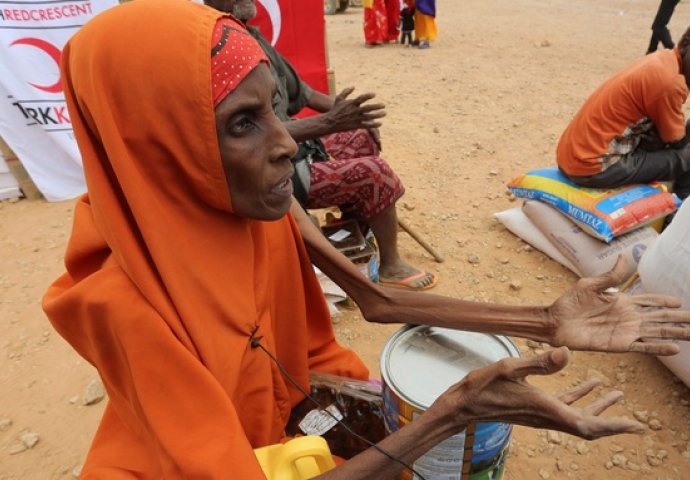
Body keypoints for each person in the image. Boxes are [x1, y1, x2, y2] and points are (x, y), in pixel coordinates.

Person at [43, 0, 690, 477]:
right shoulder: (122, 303)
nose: (281, 146)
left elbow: (374, 299)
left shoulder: (261, 210)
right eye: (243, 124)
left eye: (275, 109)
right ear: (155, 144)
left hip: (288, 404)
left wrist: (546, 320)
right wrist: (449, 412)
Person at [208, 0, 437, 291]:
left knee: (361, 136)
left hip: (300, 148)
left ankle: (356, 227)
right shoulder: (218, 57)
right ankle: (391, 265)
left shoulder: (252, 38)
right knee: (374, 172)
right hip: (275, 168)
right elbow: (261, 137)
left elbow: (303, 93)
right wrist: (331, 122)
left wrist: (355, 116)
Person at [557, 26, 690, 201]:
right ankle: (679, 210)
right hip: (594, 167)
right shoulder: (671, 83)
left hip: (572, 156)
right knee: (686, 155)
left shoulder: (663, 59)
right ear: (686, 44)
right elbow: (677, 142)